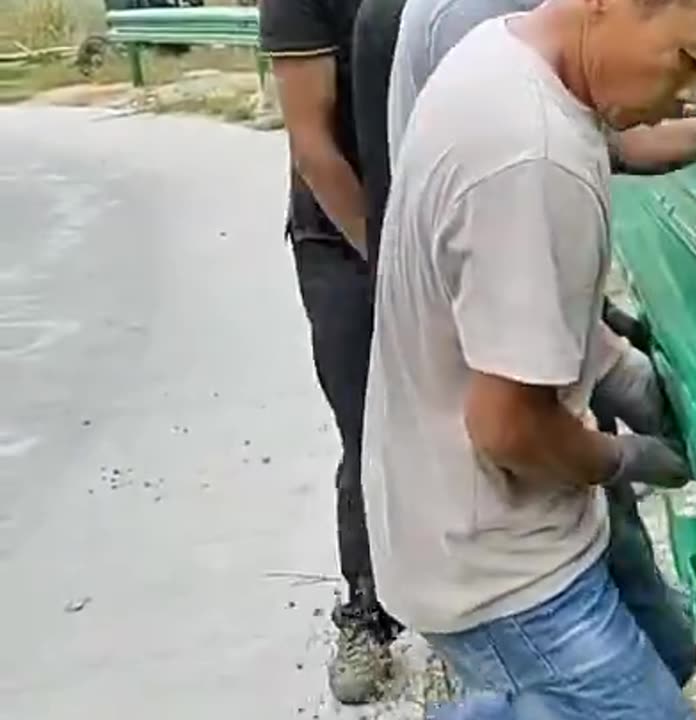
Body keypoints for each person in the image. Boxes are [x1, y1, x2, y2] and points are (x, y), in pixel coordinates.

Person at [362, 0, 696, 715]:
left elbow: (514, 300)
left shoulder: (508, 56)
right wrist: (625, 459)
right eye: (694, 59)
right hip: (500, 568)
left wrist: (628, 376)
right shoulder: (532, 157)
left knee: (669, 650)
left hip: (482, 518)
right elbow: (509, 428)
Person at [257, 0, 401, 705]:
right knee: (368, 426)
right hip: (342, 236)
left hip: (452, 208)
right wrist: (391, 265)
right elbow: (312, 145)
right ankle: (368, 612)